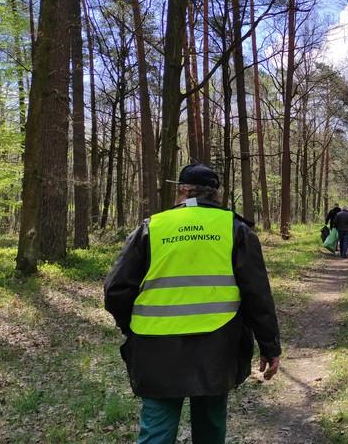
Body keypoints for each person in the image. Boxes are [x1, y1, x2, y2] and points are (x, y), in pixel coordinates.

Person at [104, 163, 281, 444]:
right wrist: (269, 346)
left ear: (184, 190)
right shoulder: (234, 229)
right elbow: (256, 295)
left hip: (155, 347)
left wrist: (132, 326)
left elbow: (116, 289)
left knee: (156, 432)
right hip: (217, 346)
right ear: (215, 194)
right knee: (210, 427)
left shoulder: (153, 227)